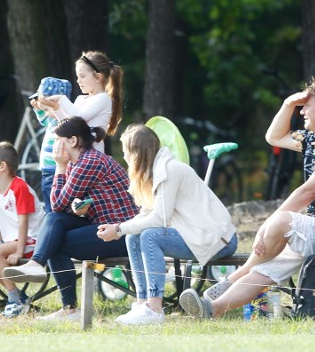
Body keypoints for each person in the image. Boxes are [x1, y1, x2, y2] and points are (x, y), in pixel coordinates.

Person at [178, 77, 315, 320]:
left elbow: (308, 191)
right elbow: (274, 137)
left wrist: (269, 223)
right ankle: (212, 310)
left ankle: (236, 276)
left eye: (306, 105)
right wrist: (288, 104)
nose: (302, 111)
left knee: (280, 222)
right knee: (265, 270)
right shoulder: (314, 140)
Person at [95, 124, 238, 325]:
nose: (125, 157)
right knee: (133, 236)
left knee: (149, 236)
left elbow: (159, 218)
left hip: (219, 241)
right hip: (196, 236)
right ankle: (143, 302)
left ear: (137, 153)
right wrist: (120, 229)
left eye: (127, 152)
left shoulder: (169, 171)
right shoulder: (155, 172)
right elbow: (146, 213)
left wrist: (118, 229)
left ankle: (154, 308)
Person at [3, 116, 138, 321]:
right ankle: (38, 267)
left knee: (57, 241)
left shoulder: (89, 162)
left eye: (58, 141)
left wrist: (59, 166)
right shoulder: (80, 163)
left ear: (73, 141)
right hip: (102, 226)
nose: (54, 146)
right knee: (54, 219)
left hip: (121, 233)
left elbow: (57, 201)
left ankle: (68, 307)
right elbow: (61, 209)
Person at [0, 142, 45, 318]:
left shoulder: (19, 187)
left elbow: (24, 221)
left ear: (2, 167)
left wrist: (19, 250)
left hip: (33, 239)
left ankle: (14, 301)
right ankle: (18, 296)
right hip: (14, 240)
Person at [34, 51, 123, 153]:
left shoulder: (103, 99)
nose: (78, 81)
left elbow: (79, 118)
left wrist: (62, 99)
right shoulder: (80, 99)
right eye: (77, 76)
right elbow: (70, 126)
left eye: (82, 76)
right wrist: (56, 107)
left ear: (98, 77)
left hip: (93, 157)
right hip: (77, 156)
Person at [29, 77, 73, 213]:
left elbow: (64, 116)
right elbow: (43, 119)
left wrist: (48, 108)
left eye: (41, 99)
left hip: (58, 172)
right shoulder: (50, 120)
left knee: (56, 207)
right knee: (49, 206)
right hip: (46, 172)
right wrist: (38, 108)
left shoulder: (63, 119)